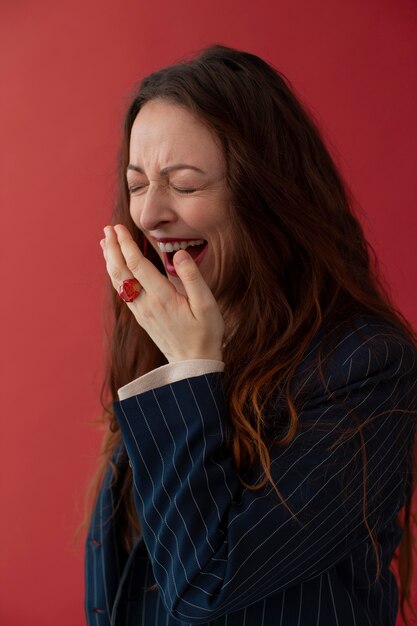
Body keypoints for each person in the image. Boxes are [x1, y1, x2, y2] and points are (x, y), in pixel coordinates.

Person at [84, 44, 417, 626]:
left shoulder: (369, 366)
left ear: (268, 196)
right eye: (137, 184)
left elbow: (203, 586)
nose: (149, 215)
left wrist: (190, 371)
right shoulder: (153, 342)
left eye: (183, 184)